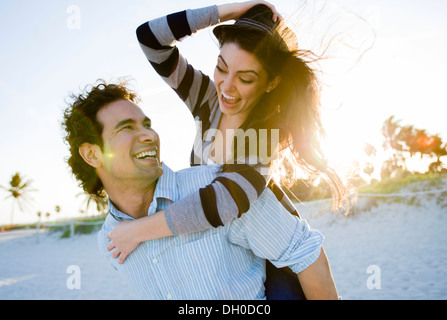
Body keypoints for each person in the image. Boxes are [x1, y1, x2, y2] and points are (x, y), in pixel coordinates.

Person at [107, 1, 347, 299]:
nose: (227, 87)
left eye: (245, 78)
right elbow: (150, 39)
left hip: (276, 265)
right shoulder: (207, 101)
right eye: (221, 68)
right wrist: (231, 12)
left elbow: (222, 202)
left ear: (271, 83)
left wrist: (138, 231)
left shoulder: (263, 135)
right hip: (229, 252)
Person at [61, 80, 339, 299]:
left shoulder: (223, 188)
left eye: (146, 124)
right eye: (126, 128)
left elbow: (305, 253)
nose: (148, 134)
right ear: (92, 155)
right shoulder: (108, 241)